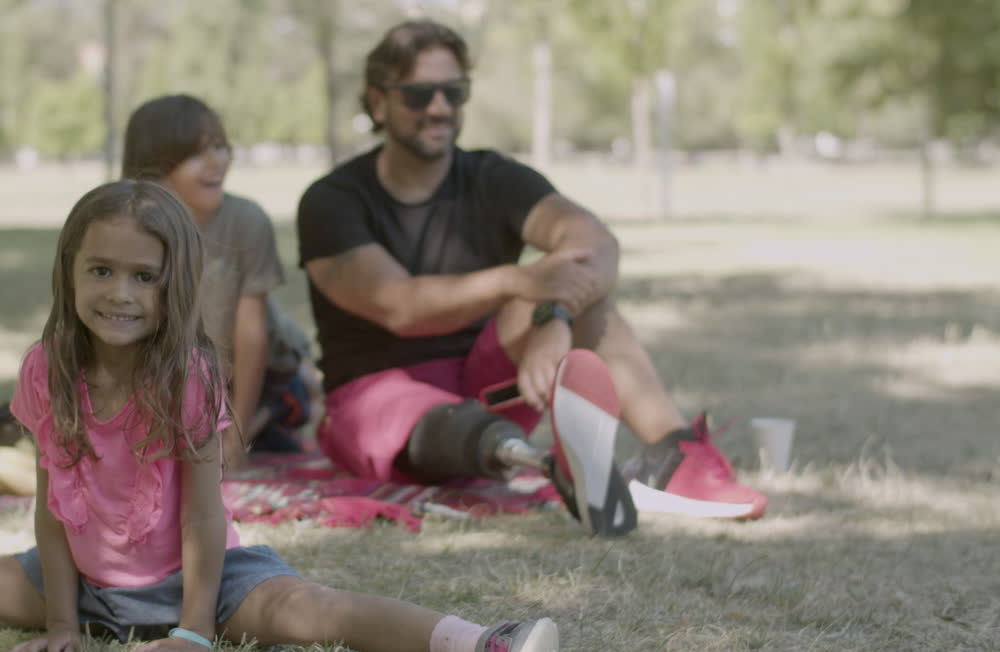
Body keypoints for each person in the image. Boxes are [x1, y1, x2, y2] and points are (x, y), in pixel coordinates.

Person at [0, 180, 561, 652]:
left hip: (210, 581)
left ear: (172, 288)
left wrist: (195, 628)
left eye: (143, 276)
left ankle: (484, 647)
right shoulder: (45, 372)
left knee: (316, 611)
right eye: (101, 270)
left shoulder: (187, 377)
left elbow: (202, 520)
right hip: (87, 583)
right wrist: (59, 621)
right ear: (70, 273)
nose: (119, 292)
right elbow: (51, 513)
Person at [296, 20, 767, 527]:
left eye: (454, 92)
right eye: (418, 94)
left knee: (585, 293)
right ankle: (553, 466)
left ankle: (674, 460)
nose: (439, 108)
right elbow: (399, 305)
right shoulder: (331, 201)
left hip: (489, 379)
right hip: (379, 393)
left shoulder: (493, 177)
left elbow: (596, 243)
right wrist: (519, 281)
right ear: (378, 101)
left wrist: (554, 314)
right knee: (442, 409)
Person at [122, 94, 318, 468]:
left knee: (287, 399)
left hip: (252, 374)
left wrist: (236, 434)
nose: (218, 161)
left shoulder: (246, 220)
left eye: (220, 146)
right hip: (172, 377)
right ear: (154, 167)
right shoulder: (125, 229)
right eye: (198, 153)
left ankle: (290, 396)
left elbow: (251, 333)